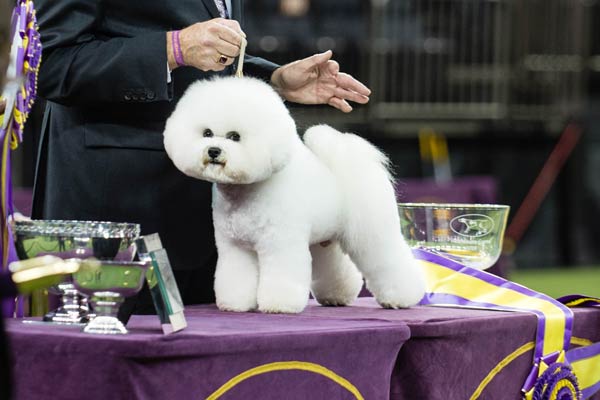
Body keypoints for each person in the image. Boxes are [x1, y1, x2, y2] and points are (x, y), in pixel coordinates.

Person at [32, 0, 371, 312]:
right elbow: (48, 62)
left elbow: (208, 60)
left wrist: (274, 81)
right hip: (121, 215)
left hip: (214, 226)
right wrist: (171, 48)